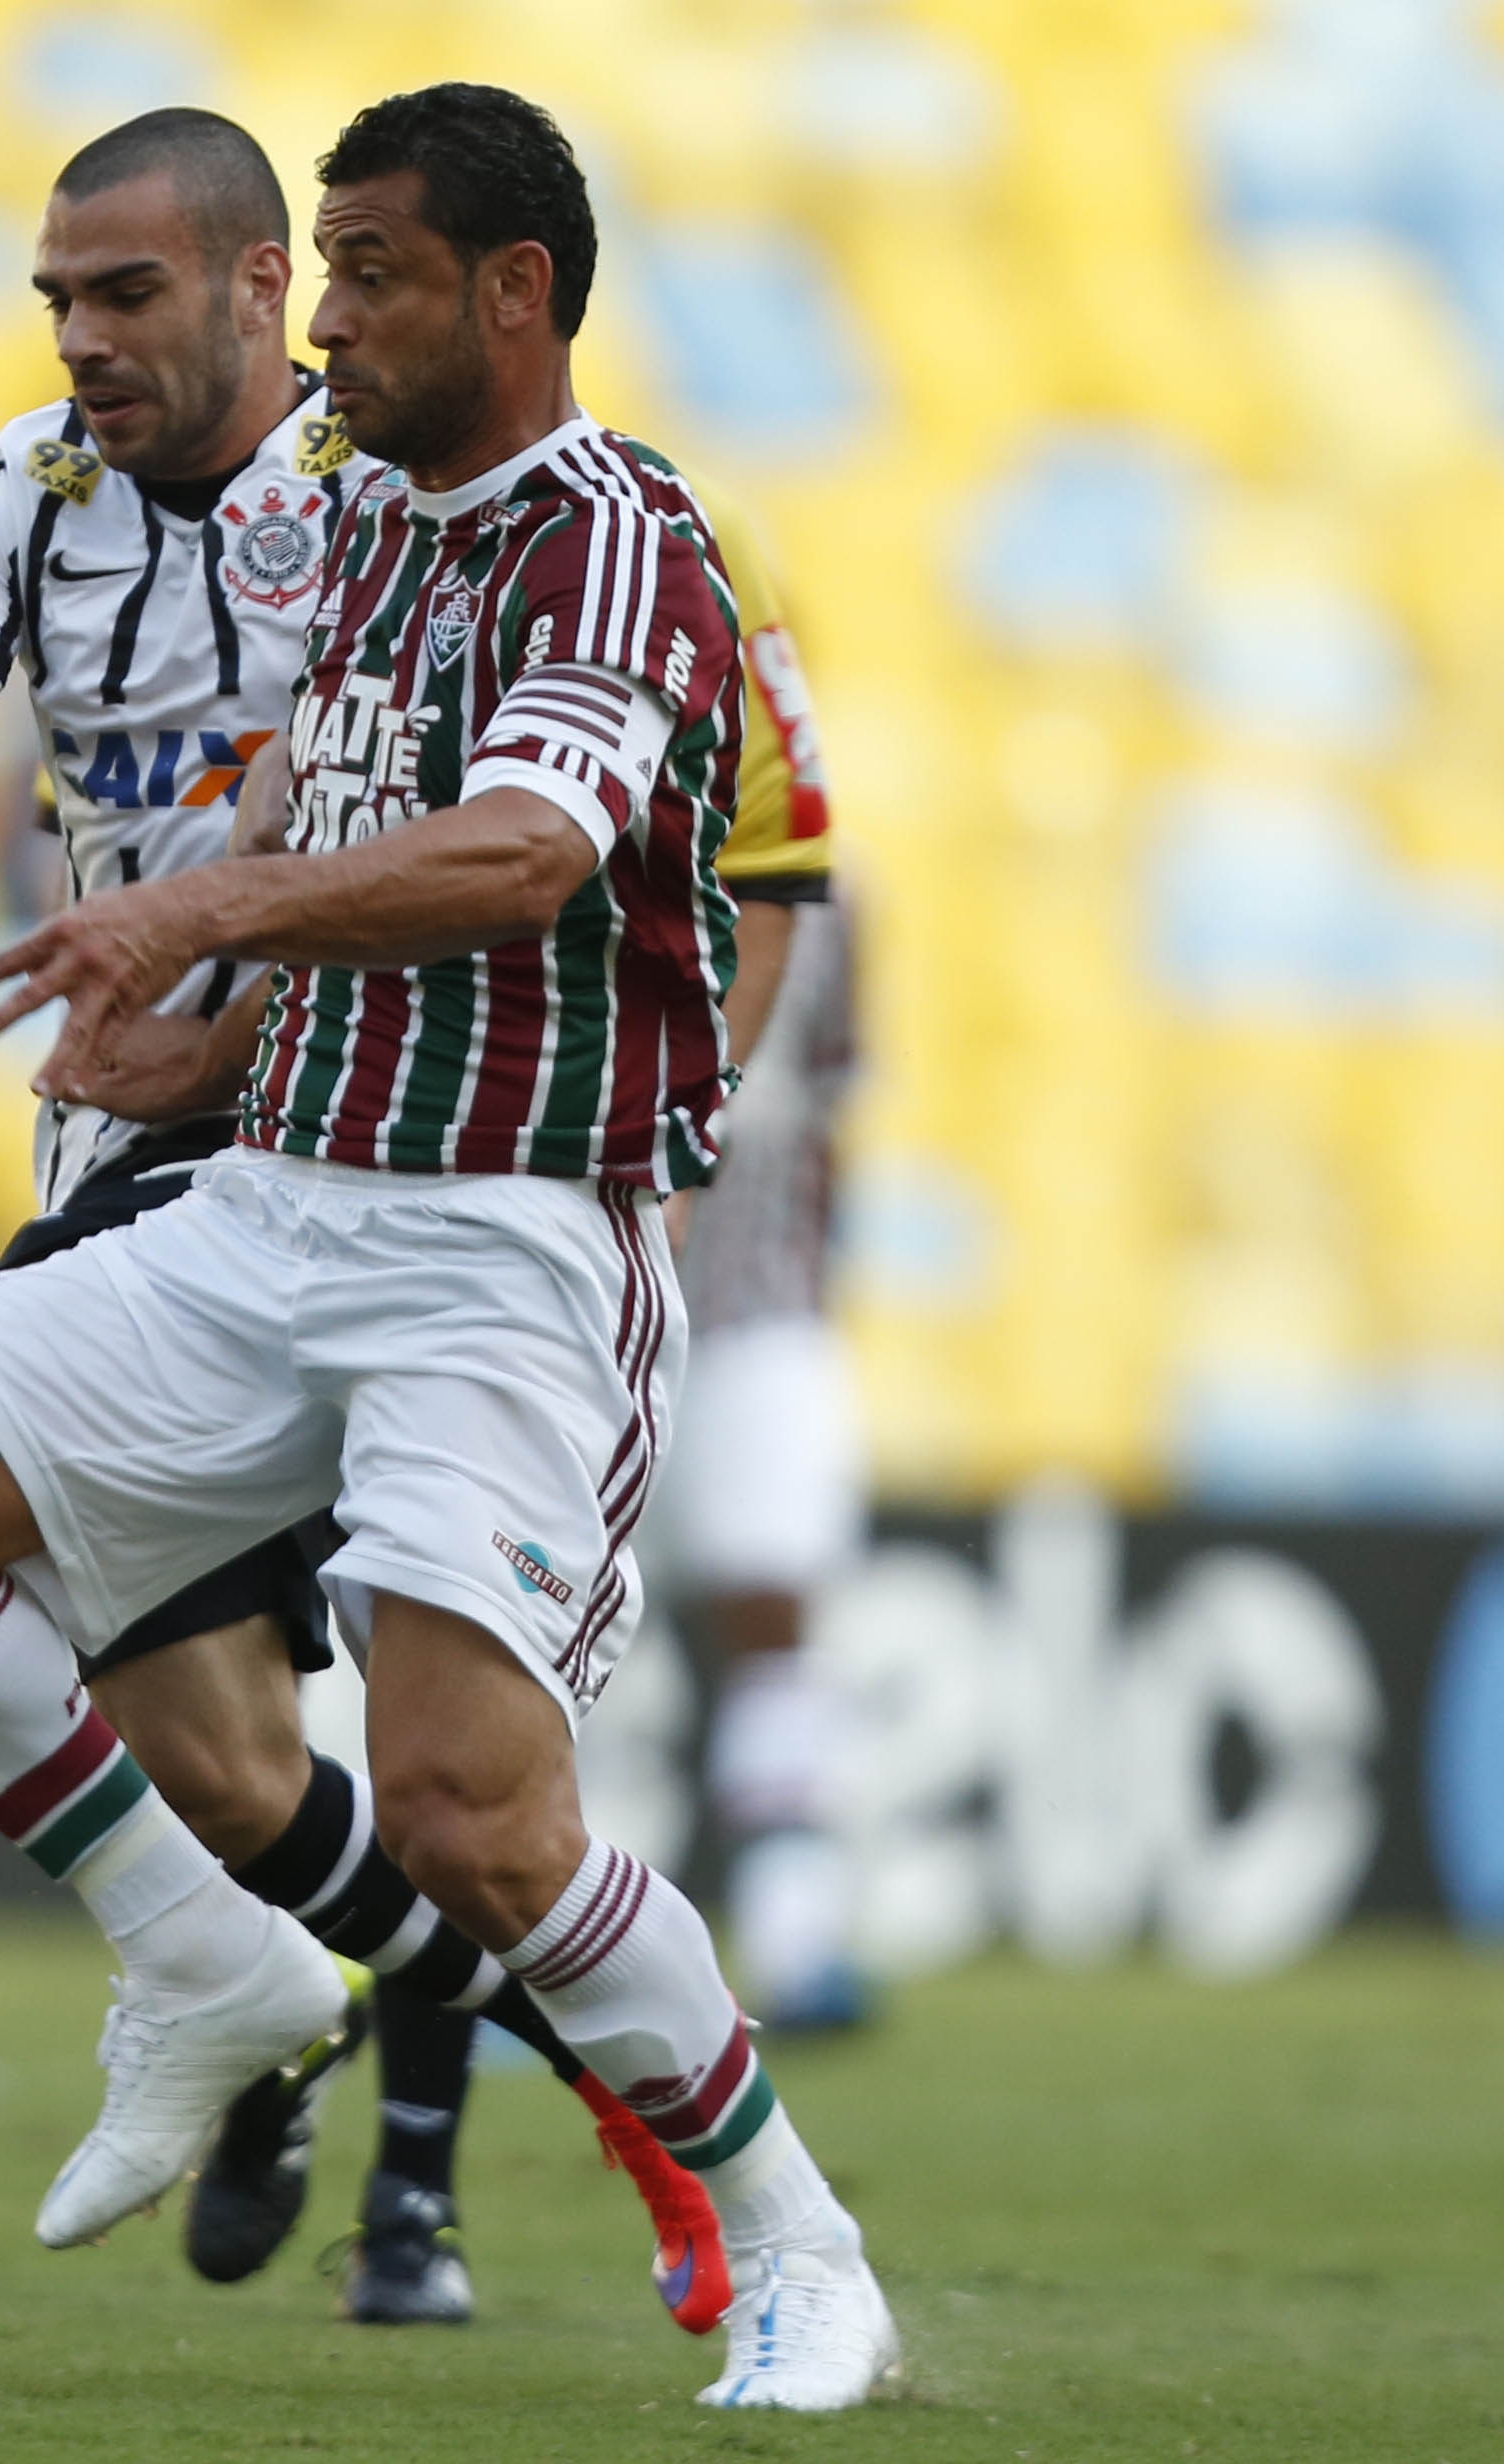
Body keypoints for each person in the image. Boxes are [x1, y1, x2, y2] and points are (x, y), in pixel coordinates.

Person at [0, 83, 891, 2414]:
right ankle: (201, 1955)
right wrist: (191, 1026)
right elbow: (317, 779)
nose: (333, 322)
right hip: (272, 1193)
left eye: (370, 273)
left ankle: (794, 2229)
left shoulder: (621, 537)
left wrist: (196, 911)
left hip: (507, 1232)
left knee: (476, 1813)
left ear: (512, 294)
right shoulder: (360, 517)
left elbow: (520, 851)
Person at [640, 483, 871, 2033]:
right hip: (600, 1294)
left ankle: (795, 1933)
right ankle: (562, 1961)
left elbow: (838, 1107)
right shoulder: (592, 848)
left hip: (762, 1302)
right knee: (563, 1627)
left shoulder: (837, 893)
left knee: (774, 1599)